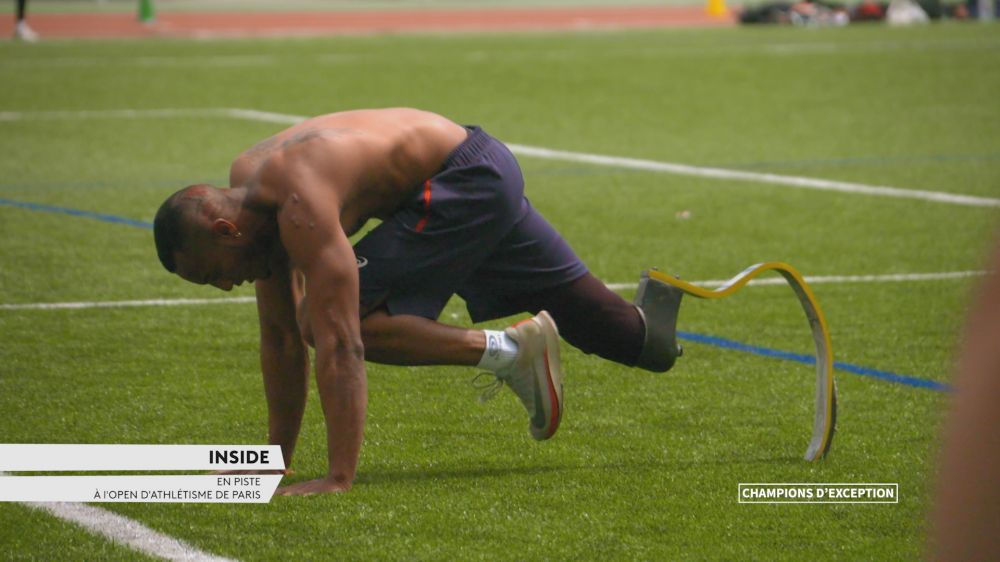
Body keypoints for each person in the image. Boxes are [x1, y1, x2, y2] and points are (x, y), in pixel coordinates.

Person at [153, 108, 683, 496]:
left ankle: (509, 351)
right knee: (636, 343)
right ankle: (651, 319)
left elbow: (341, 343)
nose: (225, 287)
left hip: (461, 181)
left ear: (226, 231)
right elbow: (278, 339)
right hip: (479, 169)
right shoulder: (253, 207)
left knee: (325, 320)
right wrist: (271, 462)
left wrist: (338, 478)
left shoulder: (298, 206)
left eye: (211, 277)